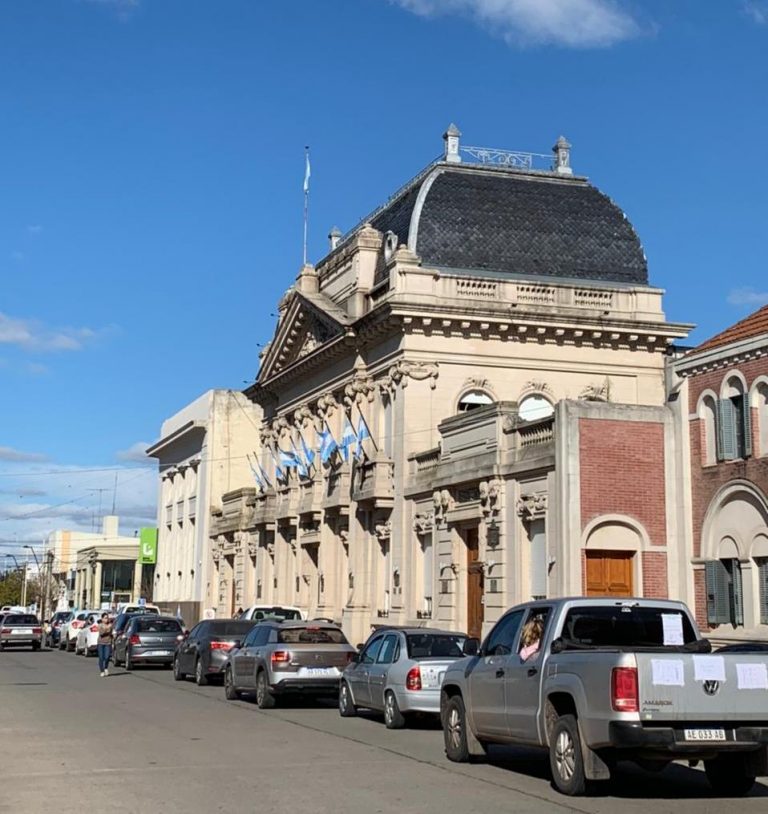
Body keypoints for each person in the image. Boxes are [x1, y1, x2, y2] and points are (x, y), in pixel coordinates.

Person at [97, 612, 114, 677]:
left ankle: (106, 668)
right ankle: (102, 671)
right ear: (102, 619)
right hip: (101, 643)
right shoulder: (100, 625)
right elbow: (102, 633)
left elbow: (111, 633)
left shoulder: (110, 625)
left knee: (107, 657)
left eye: (107, 618)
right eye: (105, 618)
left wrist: (112, 637)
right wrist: (107, 628)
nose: (107, 619)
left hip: (108, 643)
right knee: (101, 657)